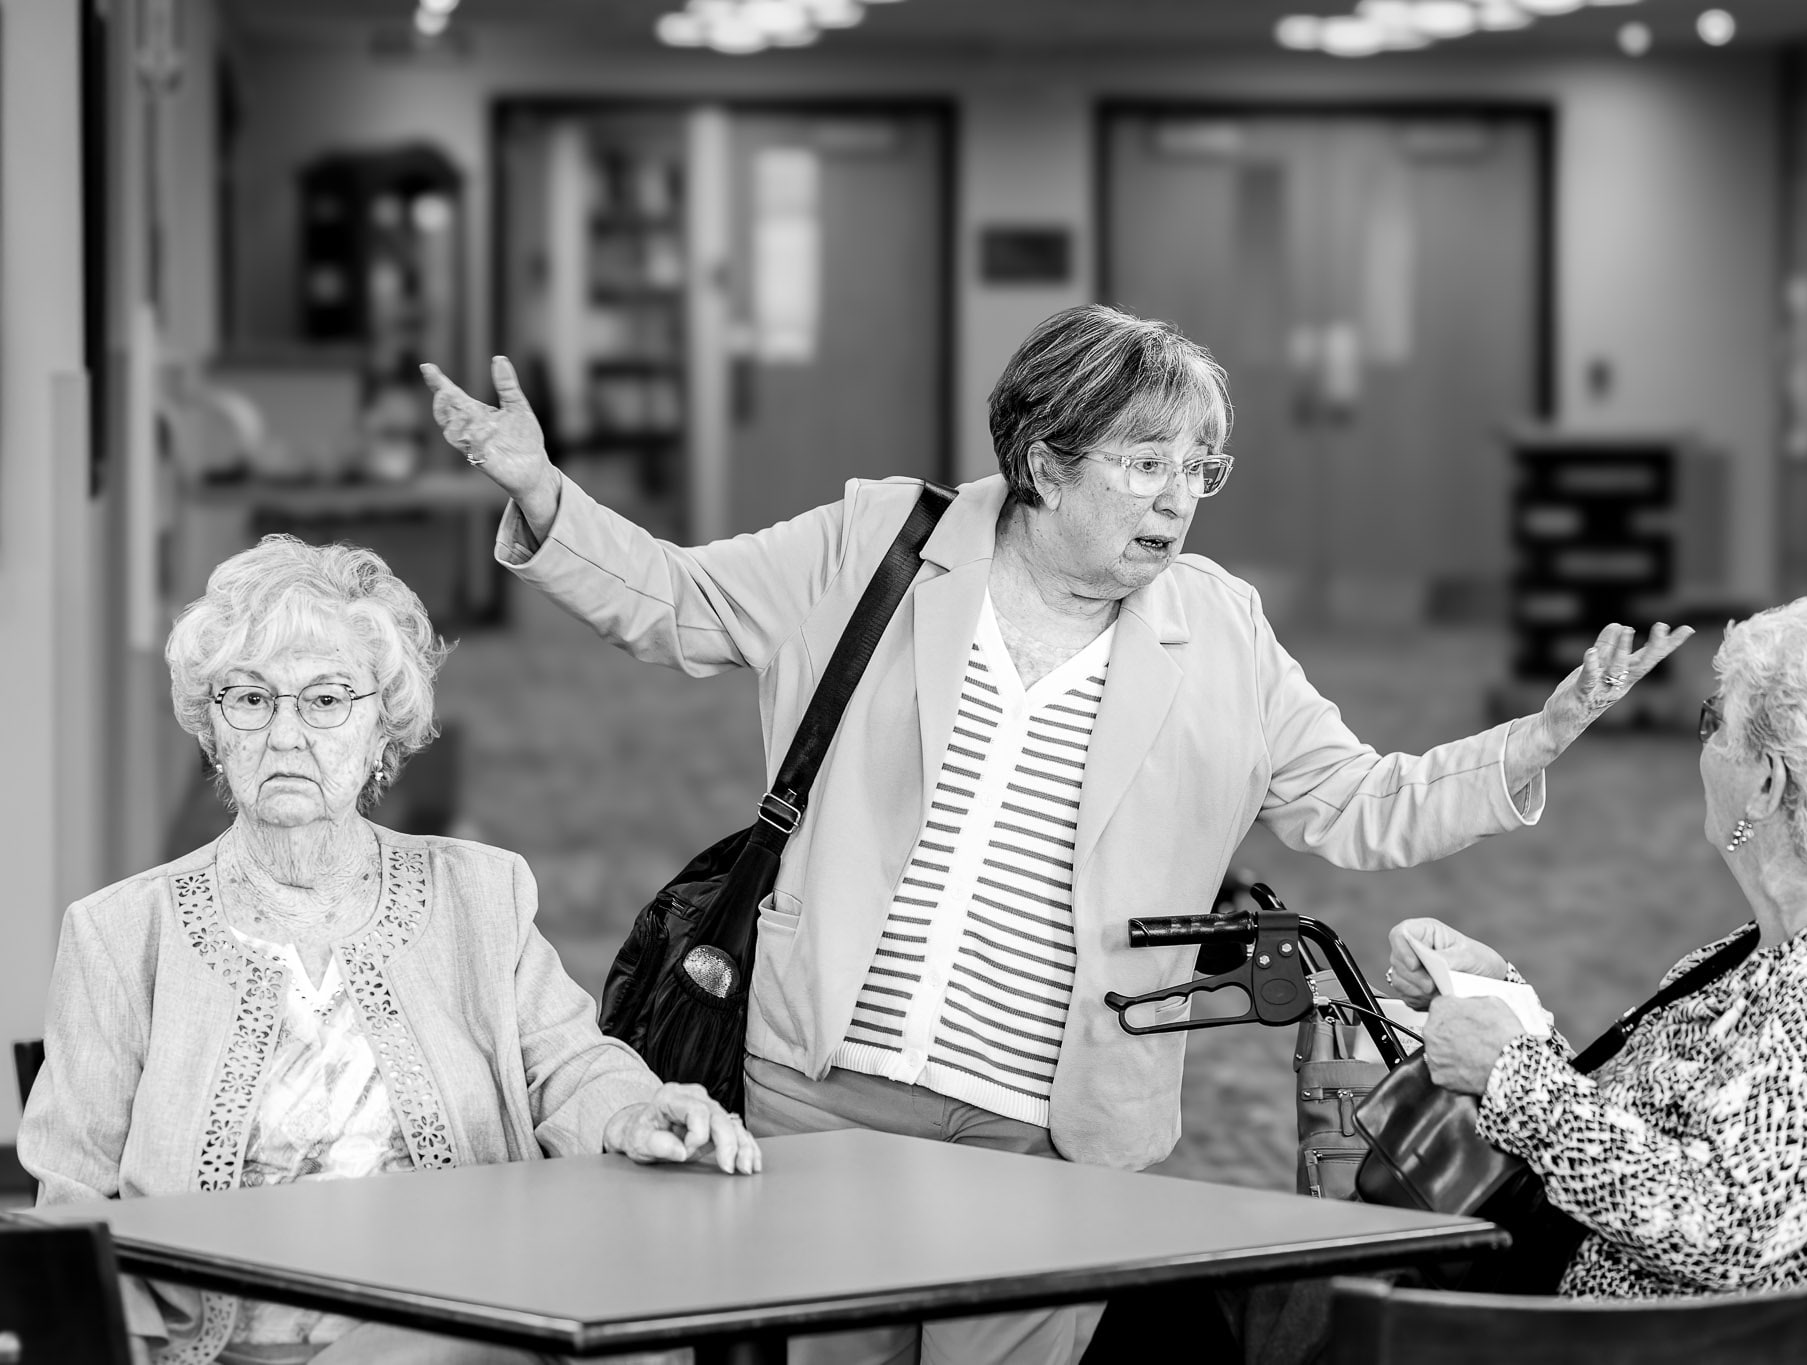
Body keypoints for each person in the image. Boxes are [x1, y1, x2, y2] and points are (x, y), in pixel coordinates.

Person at [419, 304, 1688, 1364]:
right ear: (1042, 462)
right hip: (824, 1095)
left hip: (1052, 1128)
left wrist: (1531, 740)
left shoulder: (1219, 632)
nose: (1178, 500)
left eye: (1199, 470)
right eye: (1144, 464)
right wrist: (541, 491)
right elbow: (676, 605)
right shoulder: (881, 545)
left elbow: (1355, 802)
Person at [18, 536, 760, 1365]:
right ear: (212, 726)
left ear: (383, 729)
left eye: (327, 698)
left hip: (462, 1316)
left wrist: (631, 1109)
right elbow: (71, 1201)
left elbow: (570, 1064)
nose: (286, 733)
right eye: (251, 698)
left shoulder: (478, 894)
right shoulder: (121, 932)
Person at [1396, 592, 1807, 1299]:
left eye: (1715, 722)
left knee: (1272, 1291)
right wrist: (1502, 1000)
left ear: (1767, 783)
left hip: (1593, 1341)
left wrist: (1509, 1073)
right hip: (1588, 1318)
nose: (1703, 744)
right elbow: (1638, 1135)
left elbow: (1715, 1219)